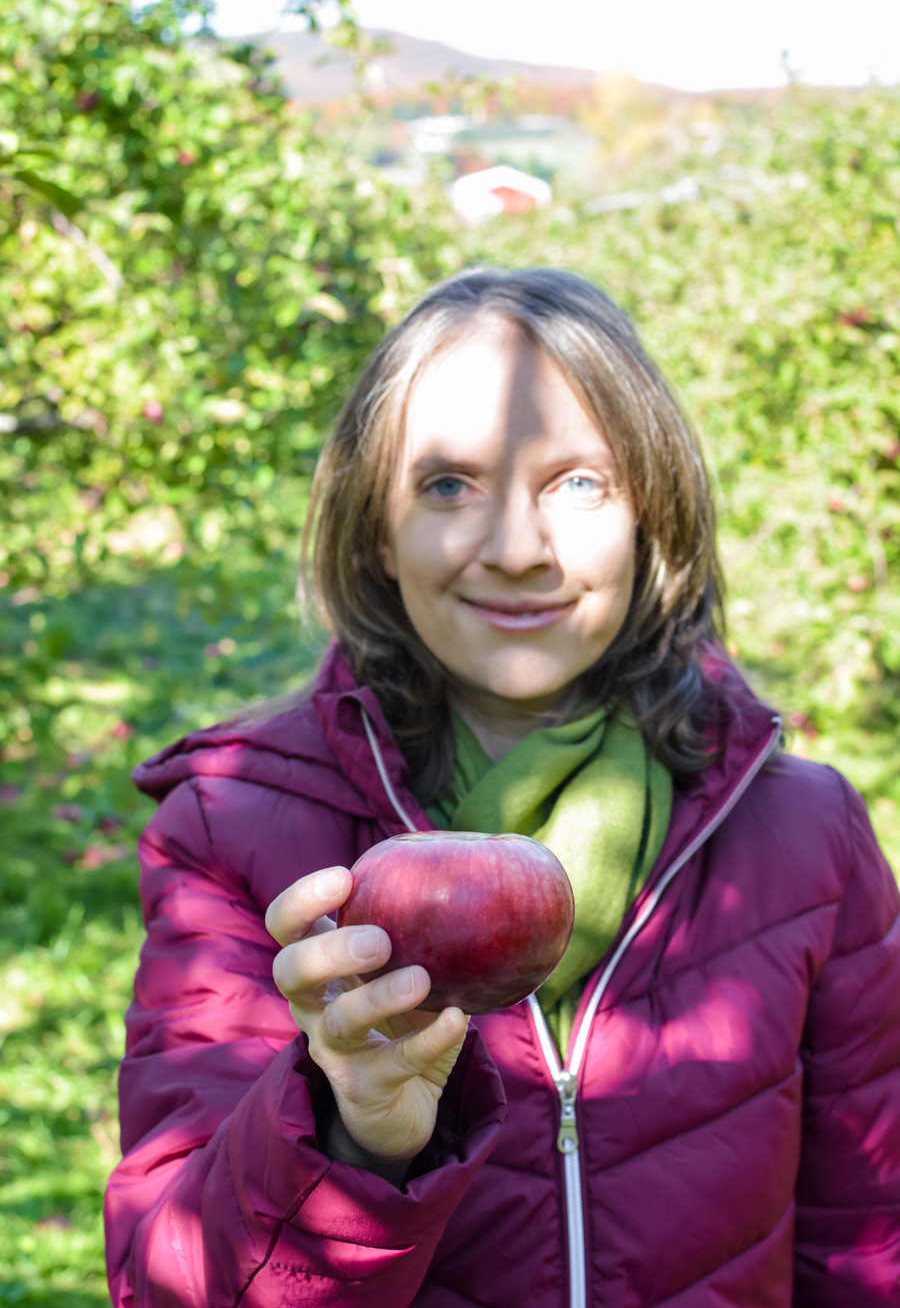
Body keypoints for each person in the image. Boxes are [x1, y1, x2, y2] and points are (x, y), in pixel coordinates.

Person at [104, 268, 900, 1307]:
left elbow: (865, 1243)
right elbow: (177, 1287)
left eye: (579, 484)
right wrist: (349, 1134)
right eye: (447, 486)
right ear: (376, 531)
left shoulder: (800, 833)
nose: (518, 551)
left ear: (651, 515)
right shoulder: (236, 830)